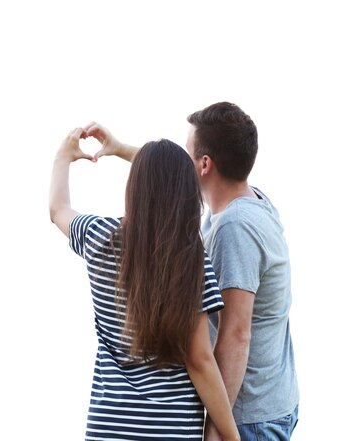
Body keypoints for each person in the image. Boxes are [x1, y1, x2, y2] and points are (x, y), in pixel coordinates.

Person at [86, 102, 299, 441]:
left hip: (245, 418)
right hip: (268, 401)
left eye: (189, 151)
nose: (183, 160)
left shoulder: (235, 228)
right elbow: (169, 175)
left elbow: (236, 335)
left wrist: (215, 432)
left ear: (204, 164)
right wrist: (121, 149)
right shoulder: (247, 198)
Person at [49, 127, 240, 441]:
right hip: (171, 431)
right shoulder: (191, 260)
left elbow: (57, 210)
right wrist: (232, 437)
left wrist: (63, 157)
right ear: (187, 195)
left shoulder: (99, 238)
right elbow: (199, 359)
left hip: (108, 430)